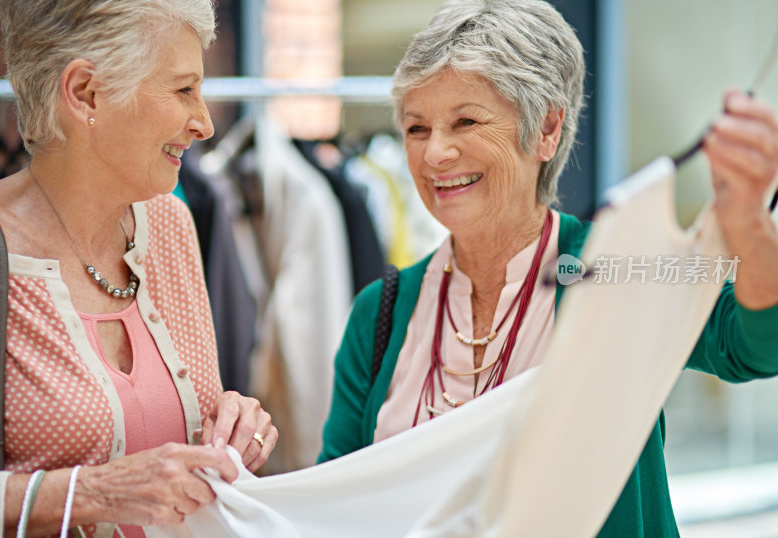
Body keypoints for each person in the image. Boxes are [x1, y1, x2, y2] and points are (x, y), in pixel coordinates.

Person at [318, 0, 778, 535]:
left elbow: (755, 345)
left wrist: (746, 219)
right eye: (417, 129)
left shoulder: (614, 271)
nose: (434, 153)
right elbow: (335, 500)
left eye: (465, 121)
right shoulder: (381, 311)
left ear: (548, 129)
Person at [0, 1, 279, 536]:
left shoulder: (170, 226)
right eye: (184, 90)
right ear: (85, 93)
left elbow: (172, 434)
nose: (205, 123)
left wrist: (232, 425)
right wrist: (93, 492)